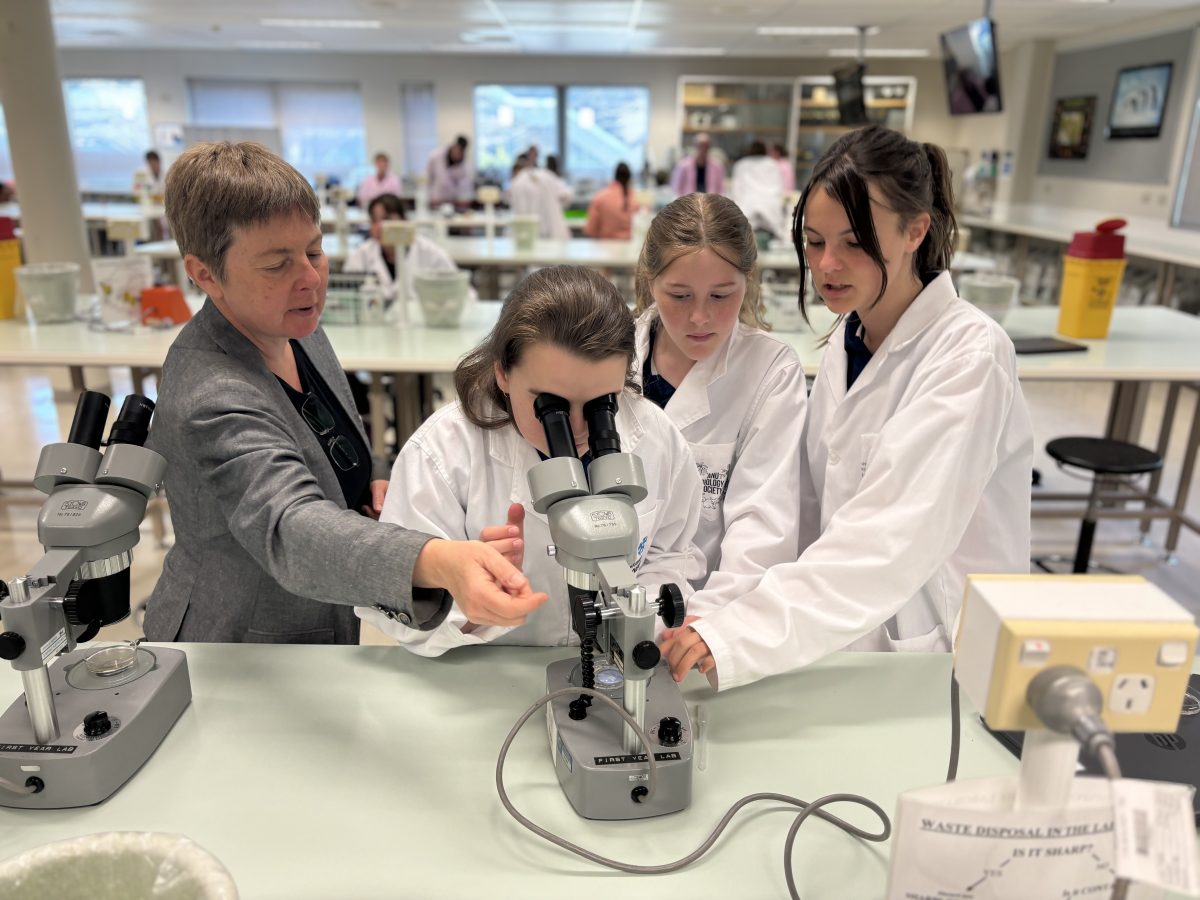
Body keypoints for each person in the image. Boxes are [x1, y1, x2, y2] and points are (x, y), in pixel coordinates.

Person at [660, 125, 1034, 690]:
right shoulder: (849, 339)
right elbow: (810, 509)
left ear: (915, 231)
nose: (827, 264)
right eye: (814, 241)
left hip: (941, 654)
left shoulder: (969, 356)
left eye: (854, 243)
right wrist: (726, 613)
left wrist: (740, 632)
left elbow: (890, 539)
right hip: (847, 634)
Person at [144, 141, 547, 644]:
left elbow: (324, 437)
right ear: (205, 274)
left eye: (314, 250)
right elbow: (289, 528)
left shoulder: (293, 325)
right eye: (277, 264)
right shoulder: (211, 392)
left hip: (317, 621)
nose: (310, 278)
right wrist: (436, 559)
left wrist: (366, 481)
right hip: (238, 648)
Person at [360, 265, 705, 656]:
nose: (578, 429)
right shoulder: (441, 454)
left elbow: (670, 554)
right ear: (503, 374)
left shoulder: (658, 439)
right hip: (486, 675)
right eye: (550, 406)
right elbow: (401, 619)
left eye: (601, 404)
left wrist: (641, 619)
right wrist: (473, 602)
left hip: (612, 665)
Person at [634, 193, 807, 611]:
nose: (699, 317)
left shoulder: (770, 372)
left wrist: (712, 622)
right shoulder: (608, 355)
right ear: (650, 280)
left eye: (720, 296)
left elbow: (761, 525)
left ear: (748, 281)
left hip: (710, 610)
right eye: (679, 295)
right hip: (600, 606)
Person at [343, 192, 474, 305]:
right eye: (374, 221)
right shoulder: (363, 254)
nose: (379, 226)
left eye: (386, 219)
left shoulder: (429, 252)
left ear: (404, 220)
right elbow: (345, 295)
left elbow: (465, 294)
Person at [731, 141, 786, 244]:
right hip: (771, 210)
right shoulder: (773, 164)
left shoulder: (741, 165)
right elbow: (779, 189)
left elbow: (736, 191)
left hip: (746, 209)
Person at [509, 156, 571, 240]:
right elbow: (567, 195)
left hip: (529, 236)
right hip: (555, 233)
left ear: (514, 172)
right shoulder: (547, 175)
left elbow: (515, 208)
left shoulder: (517, 182)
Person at [583, 162, 638, 240]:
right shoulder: (637, 198)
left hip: (606, 247)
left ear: (615, 176)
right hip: (633, 247)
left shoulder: (600, 197)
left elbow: (590, 229)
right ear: (629, 177)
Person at [426, 136, 473, 207]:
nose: (457, 154)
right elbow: (428, 175)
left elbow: (465, 185)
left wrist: (463, 199)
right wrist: (429, 194)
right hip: (437, 197)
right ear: (454, 146)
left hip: (454, 200)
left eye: (461, 152)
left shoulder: (464, 164)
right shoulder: (436, 156)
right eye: (457, 150)